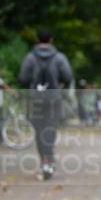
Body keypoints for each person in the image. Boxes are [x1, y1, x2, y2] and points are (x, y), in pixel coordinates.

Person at [19, 29, 73, 180]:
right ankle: (49, 162)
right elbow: (68, 76)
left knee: (39, 131)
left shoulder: (30, 58)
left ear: (37, 39)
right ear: (51, 40)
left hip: (35, 99)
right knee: (50, 131)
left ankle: (45, 162)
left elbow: (23, 78)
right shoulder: (59, 58)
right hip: (53, 99)